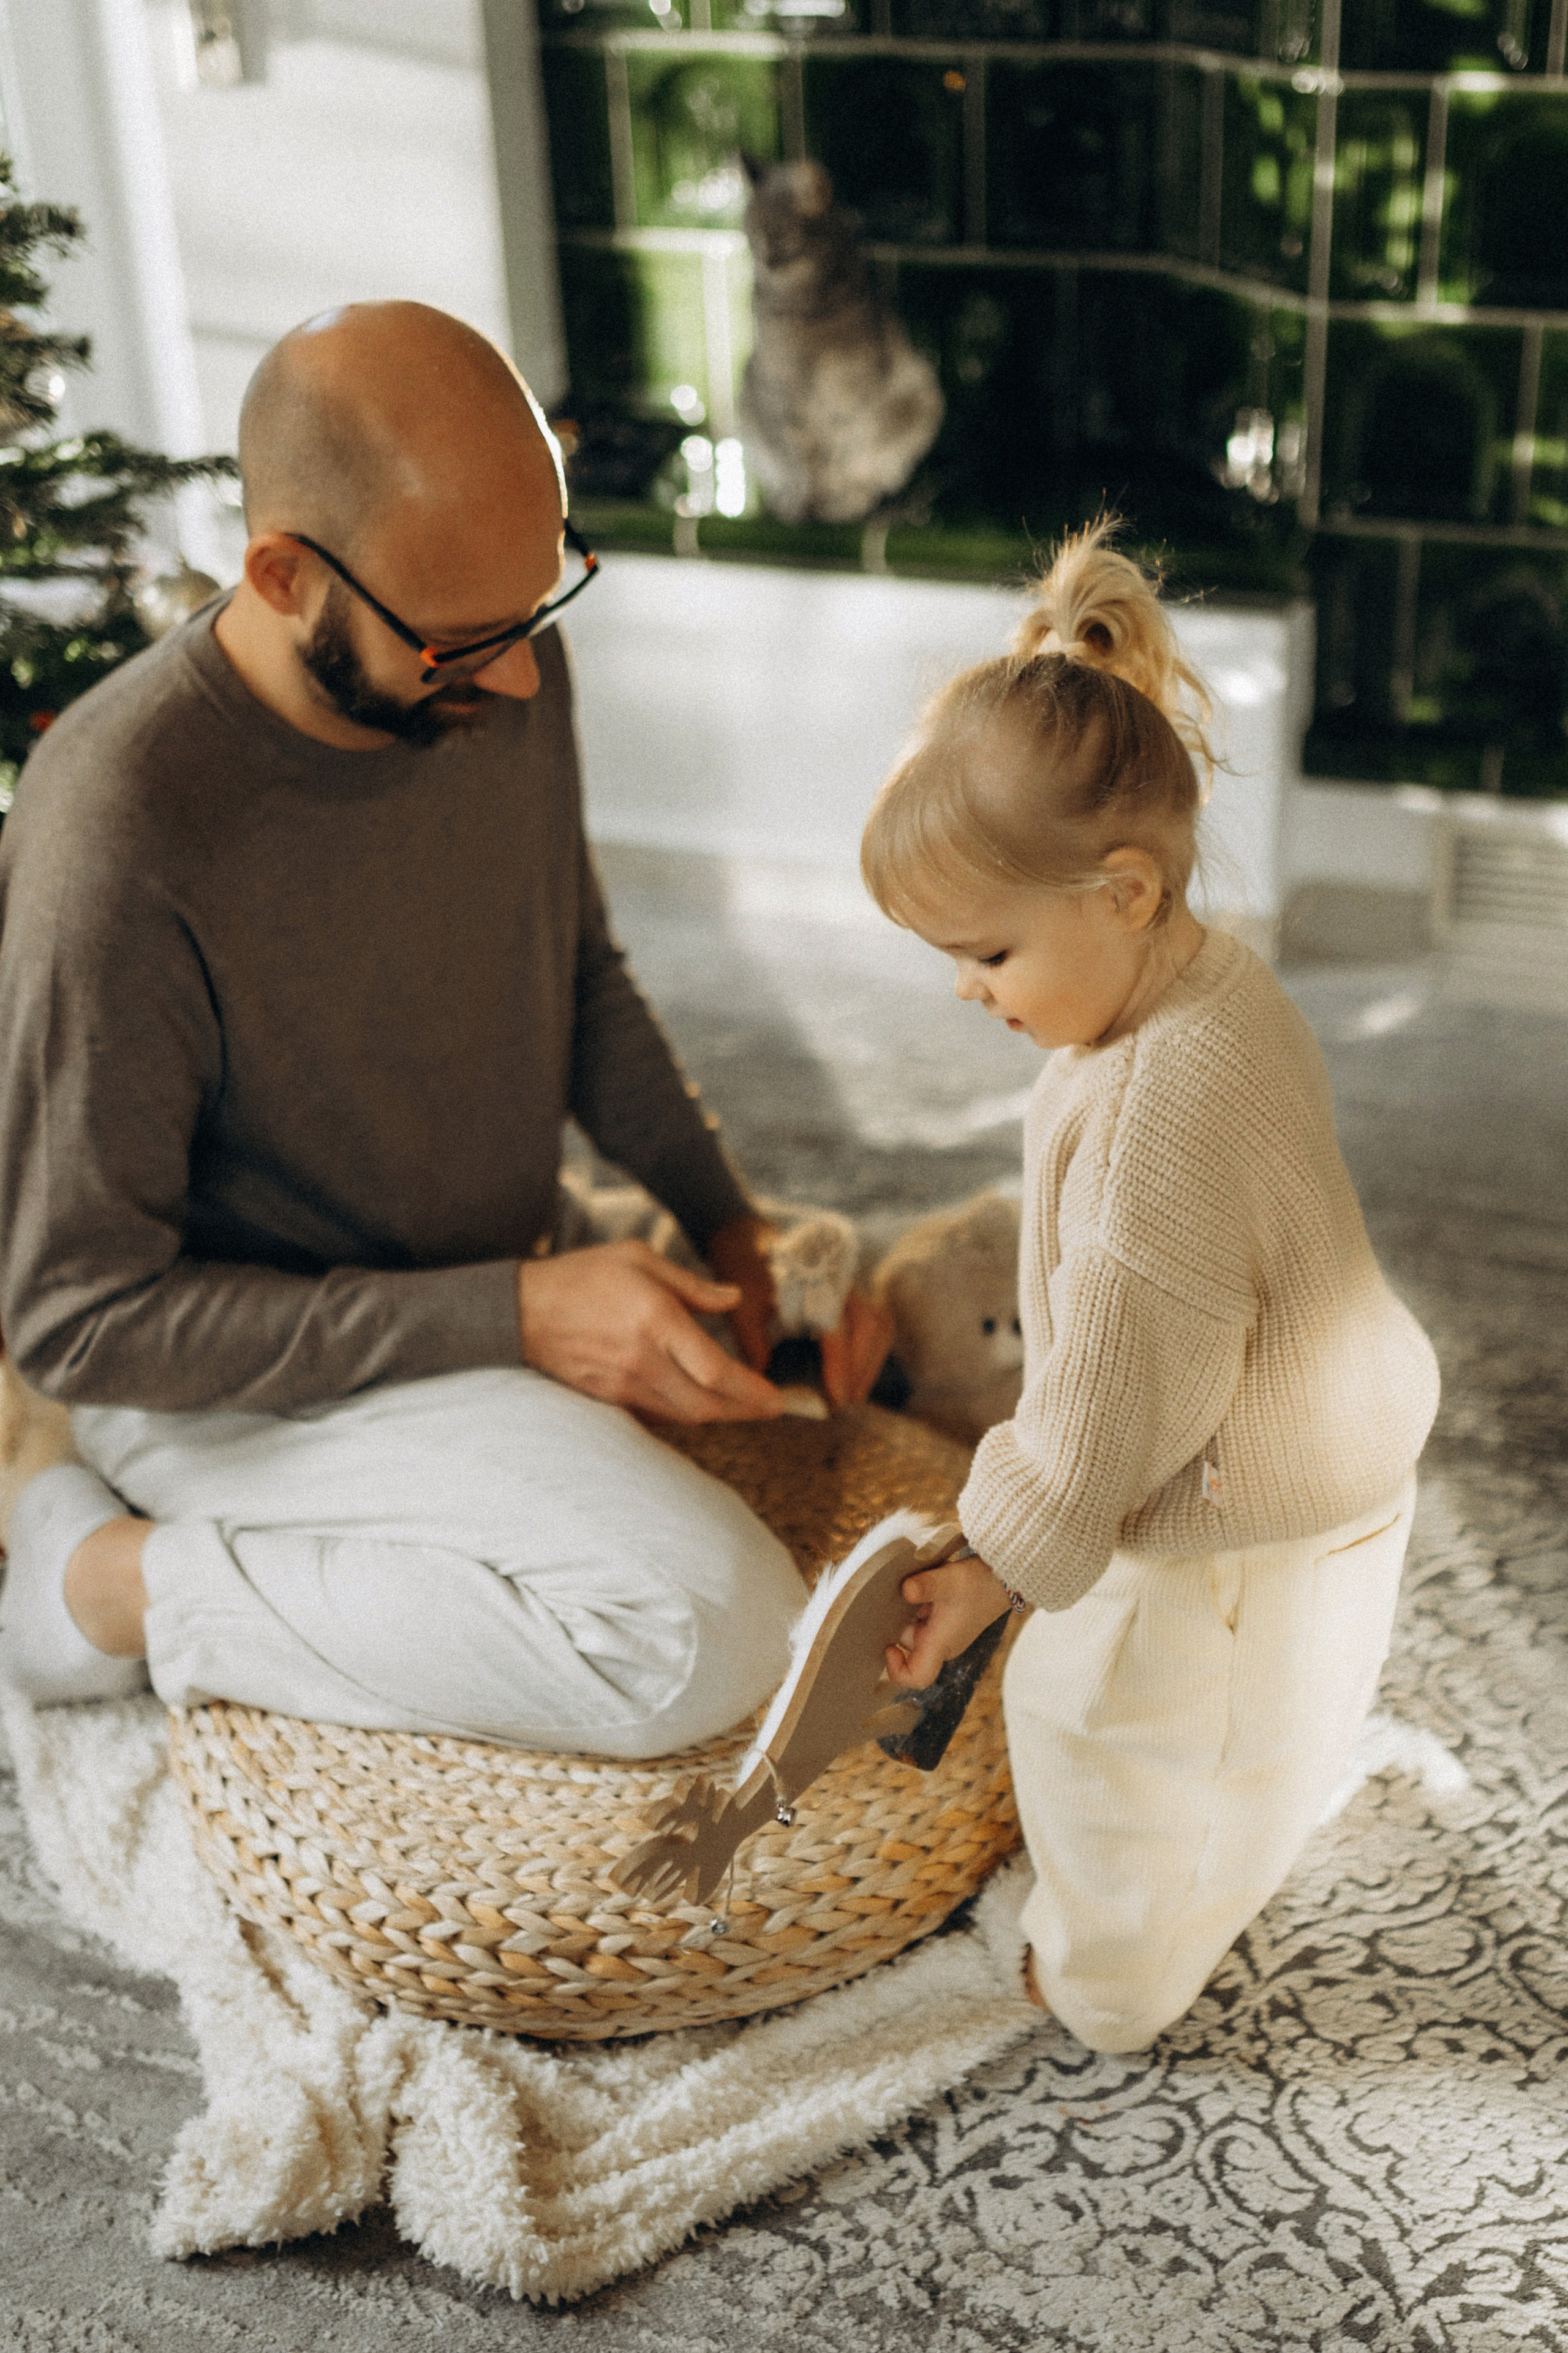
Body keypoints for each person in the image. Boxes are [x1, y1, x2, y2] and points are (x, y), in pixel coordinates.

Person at [0, 299, 883, 1754]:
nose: (525, 678)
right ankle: (105, 1581)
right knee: (704, 1633)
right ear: (280, 574)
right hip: (234, 1388)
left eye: (546, 605)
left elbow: (577, 973)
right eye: (467, 639)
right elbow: (82, 1320)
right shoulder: (120, 829)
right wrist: (520, 1315)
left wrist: (734, 1227)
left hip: (468, 1308)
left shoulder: (495, 661)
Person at [864, 520, 1441, 2053]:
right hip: (1337, 1439)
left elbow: (1125, 1387)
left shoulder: (1156, 1102)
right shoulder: (1208, 982)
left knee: (1103, 1726)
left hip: (1232, 1493)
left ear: (1121, 890)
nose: (970, 992)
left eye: (984, 953)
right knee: (1273, 1721)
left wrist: (1000, 1558)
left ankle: (1111, 1982)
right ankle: (1262, 1815)